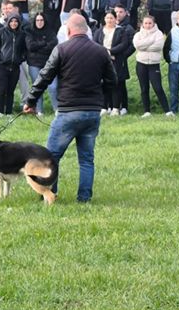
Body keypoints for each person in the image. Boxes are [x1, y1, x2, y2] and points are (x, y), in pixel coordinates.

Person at [23, 13, 116, 203]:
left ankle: (49, 194)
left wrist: (30, 101)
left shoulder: (62, 49)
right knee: (87, 159)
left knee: (51, 156)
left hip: (68, 111)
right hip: (92, 112)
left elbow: (44, 76)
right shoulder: (100, 51)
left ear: (68, 30)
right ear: (86, 30)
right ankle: (84, 198)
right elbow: (112, 81)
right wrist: (100, 99)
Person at [132, 15, 171, 117]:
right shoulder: (137, 35)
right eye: (146, 23)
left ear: (153, 23)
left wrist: (144, 46)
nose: (148, 25)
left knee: (158, 88)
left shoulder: (159, 34)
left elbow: (158, 46)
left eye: (150, 23)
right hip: (141, 63)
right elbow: (137, 45)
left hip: (154, 65)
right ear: (142, 24)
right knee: (144, 88)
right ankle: (147, 111)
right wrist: (150, 41)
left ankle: (167, 111)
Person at [93, 11, 130, 116]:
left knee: (116, 84)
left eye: (111, 18)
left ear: (115, 19)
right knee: (103, 84)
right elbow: (95, 43)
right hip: (102, 61)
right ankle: (104, 107)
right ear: (104, 19)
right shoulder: (99, 31)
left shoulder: (121, 31)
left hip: (116, 61)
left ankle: (115, 107)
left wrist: (110, 51)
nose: (109, 20)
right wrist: (103, 52)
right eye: (107, 18)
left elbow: (123, 44)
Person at [0, 13, 26, 117]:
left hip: (15, 66)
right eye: (11, 21)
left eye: (16, 21)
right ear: (8, 22)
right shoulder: (0, 32)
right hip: (1, 66)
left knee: (11, 90)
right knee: (1, 89)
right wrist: (1, 57)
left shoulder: (22, 34)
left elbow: (25, 49)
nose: (13, 23)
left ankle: (9, 112)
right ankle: (0, 111)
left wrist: (21, 58)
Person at [25, 12, 58, 116]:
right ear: (34, 21)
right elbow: (30, 47)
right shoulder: (30, 32)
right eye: (37, 20)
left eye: (41, 20)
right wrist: (44, 43)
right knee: (37, 87)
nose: (39, 22)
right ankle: (39, 110)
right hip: (34, 63)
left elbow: (53, 45)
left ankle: (57, 109)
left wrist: (38, 46)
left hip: (49, 64)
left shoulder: (50, 32)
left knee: (53, 87)